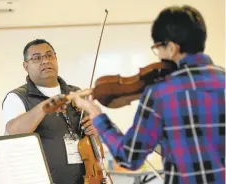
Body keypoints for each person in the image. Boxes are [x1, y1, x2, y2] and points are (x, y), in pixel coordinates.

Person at [68, 5, 225, 184]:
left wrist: (95, 113)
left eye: (158, 47)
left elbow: (129, 157)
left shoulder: (162, 93)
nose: (158, 54)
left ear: (172, 48)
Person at [2, 39, 97, 184]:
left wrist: (96, 130)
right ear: (25, 66)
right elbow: (13, 133)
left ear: (56, 58)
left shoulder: (76, 92)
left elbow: (94, 138)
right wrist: (42, 108)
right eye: (37, 58)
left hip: (85, 179)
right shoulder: (16, 97)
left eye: (49, 55)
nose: (45, 61)